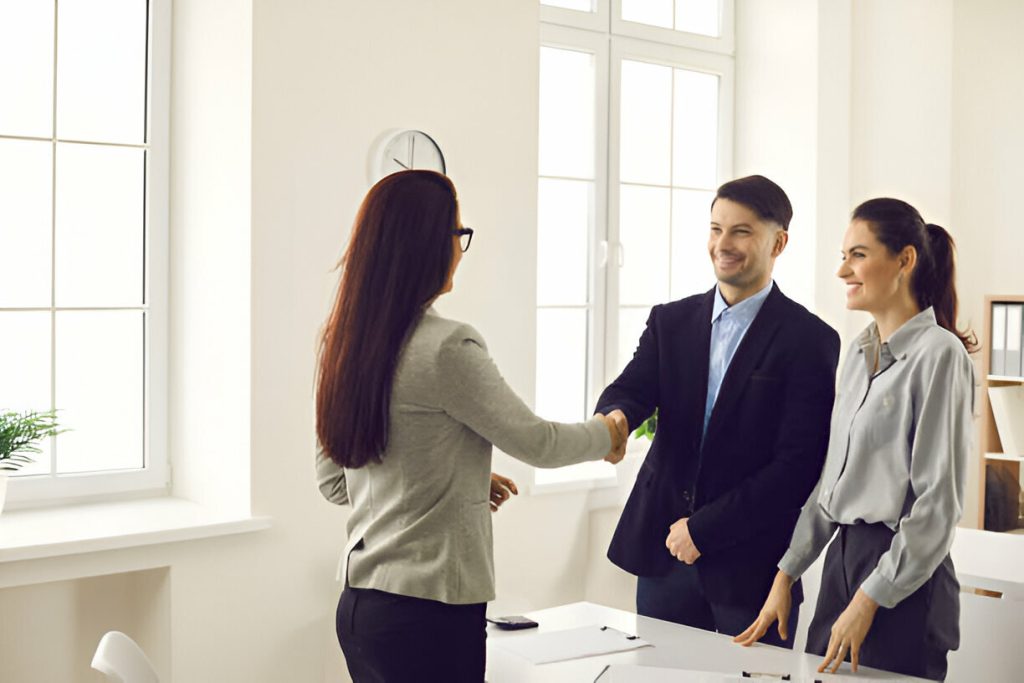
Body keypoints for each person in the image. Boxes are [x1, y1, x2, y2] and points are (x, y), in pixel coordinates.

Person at [314, 169, 628, 683]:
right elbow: (538, 442)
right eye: (458, 235)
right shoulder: (446, 347)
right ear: (428, 246)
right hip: (429, 611)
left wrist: (456, 481)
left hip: (359, 610)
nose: (461, 249)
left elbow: (334, 481)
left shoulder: (345, 342)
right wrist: (608, 433)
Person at [736, 198, 976, 681]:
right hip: (842, 564)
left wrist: (871, 597)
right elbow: (832, 486)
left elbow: (936, 507)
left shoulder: (939, 356)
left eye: (858, 255)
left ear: (905, 260)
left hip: (902, 577)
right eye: (844, 255)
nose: (843, 269)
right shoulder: (858, 353)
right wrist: (786, 574)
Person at [596, 175, 841, 646]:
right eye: (715, 229)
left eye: (741, 232)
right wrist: (613, 420)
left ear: (778, 242)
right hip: (663, 559)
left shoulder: (810, 340)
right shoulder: (671, 321)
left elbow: (797, 467)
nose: (722, 244)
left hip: (751, 569)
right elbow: (629, 390)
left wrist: (704, 530)